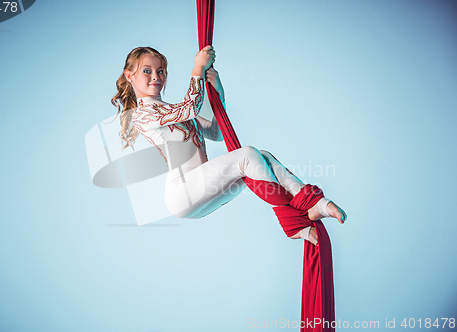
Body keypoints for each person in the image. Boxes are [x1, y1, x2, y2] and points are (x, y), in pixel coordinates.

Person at [111, 46, 346, 245]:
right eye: (147, 71)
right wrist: (197, 69)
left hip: (200, 191)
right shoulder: (142, 115)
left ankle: (316, 206)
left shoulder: (173, 112)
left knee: (261, 157)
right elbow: (190, 108)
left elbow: (215, 132)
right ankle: (291, 222)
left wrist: (219, 94)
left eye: (161, 71)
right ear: (129, 76)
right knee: (247, 156)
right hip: (182, 193)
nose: (156, 76)